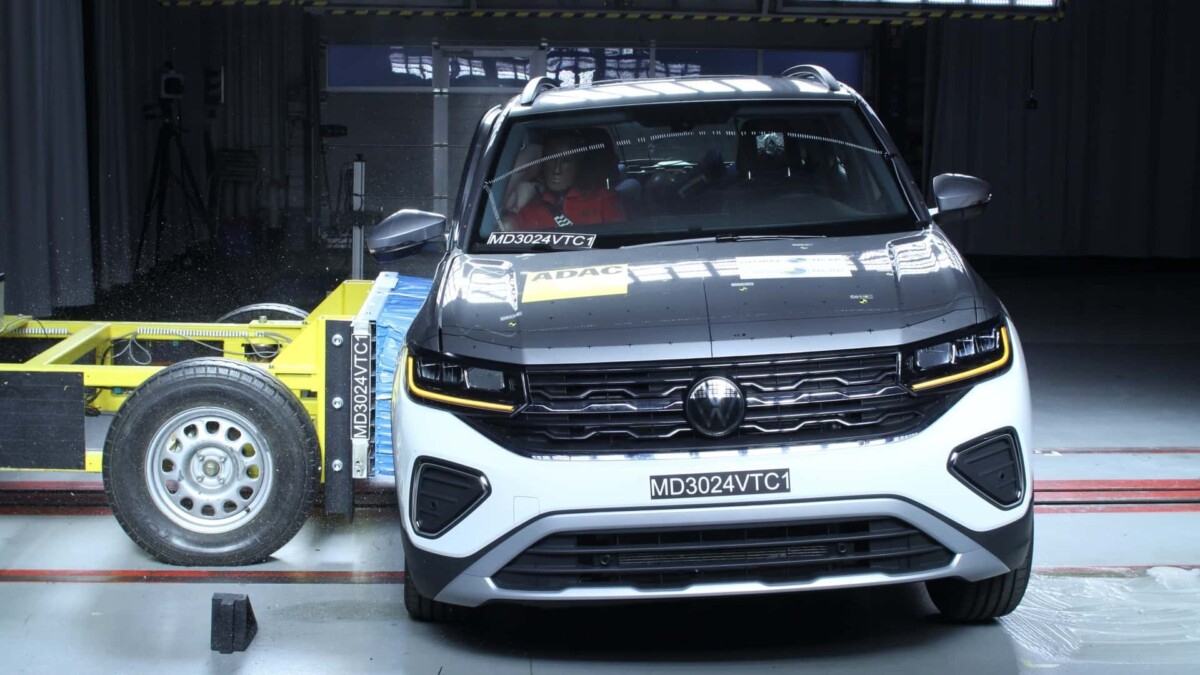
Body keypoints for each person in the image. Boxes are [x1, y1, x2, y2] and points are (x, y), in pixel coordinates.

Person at [503, 131, 626, 231]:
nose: (556, 170)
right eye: (551, 160)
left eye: (566, 162)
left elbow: (620, 245)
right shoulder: (527, 206)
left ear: (579, 165)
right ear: (542, 163)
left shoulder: (603, 201)